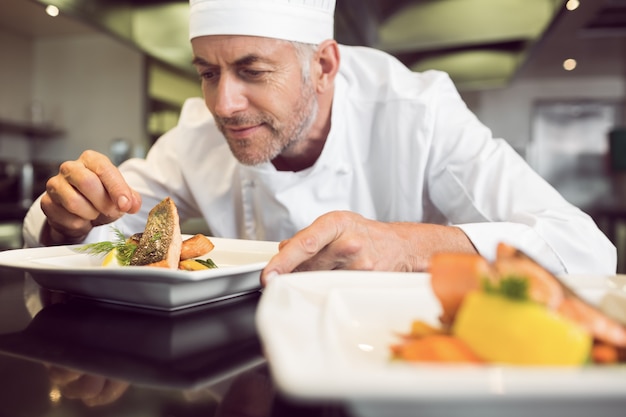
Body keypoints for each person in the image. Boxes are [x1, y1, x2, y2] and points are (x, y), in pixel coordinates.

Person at [22, 0, 616, 284]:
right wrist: (72, 218)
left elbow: (584, 249)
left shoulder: (418, 111)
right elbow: (96, 228)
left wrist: (407, 246)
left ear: (325, 65)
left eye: (254, 71)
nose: (223, 104)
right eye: (207, 72)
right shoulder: (199, 133)